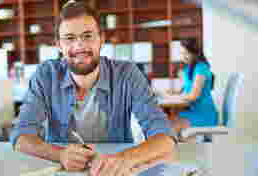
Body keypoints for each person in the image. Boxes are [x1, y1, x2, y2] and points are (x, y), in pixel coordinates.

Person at [10, 2, 176, 176]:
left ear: (101, 39)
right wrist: (59, 154)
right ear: (59, 45)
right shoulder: (46, 75)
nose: (79, 46)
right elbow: (21, 135)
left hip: (114, 171)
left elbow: (165, 136)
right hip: (61, 170)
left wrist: (125, 158)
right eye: (69, 38)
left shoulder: (127, 74)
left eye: (87, 36)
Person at [165, 38, 219, 134]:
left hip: (203, 115)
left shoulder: (201, 68)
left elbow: (193, 96)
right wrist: (171, 93)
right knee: (164, 122)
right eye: (182, 53)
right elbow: (185, 90)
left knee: (169, 126)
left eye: (186, 53)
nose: (183, 57)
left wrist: (174, 97)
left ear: (195, 53)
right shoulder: (188, 68)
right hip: (191, 112)